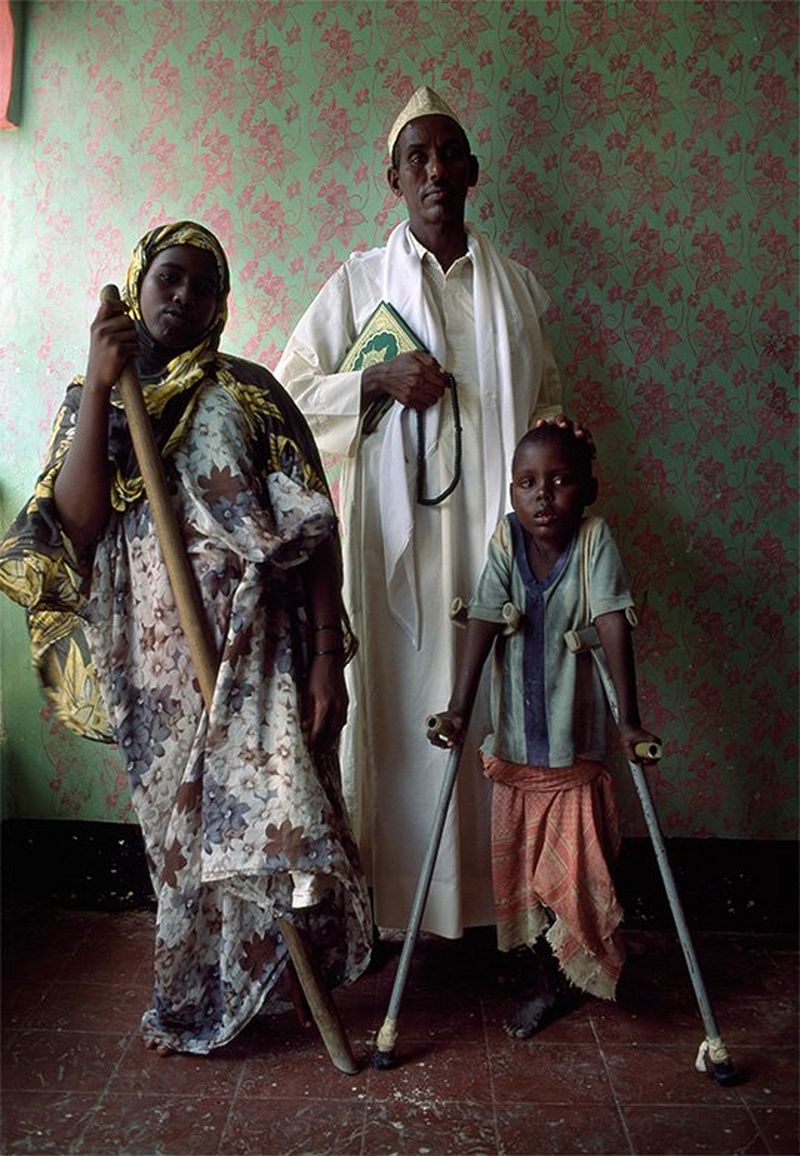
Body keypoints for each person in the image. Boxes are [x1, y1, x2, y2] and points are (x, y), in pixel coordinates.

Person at [0, 221, 372, 1055]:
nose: (184, 296)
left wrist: (325, 660)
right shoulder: (96, 397)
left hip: (264, 651)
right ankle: (199, 993)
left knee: (272, 818)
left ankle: (284, 982)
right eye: (169, 277)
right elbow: (77, 523)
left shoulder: (253, 393)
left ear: (222, 304)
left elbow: (314, 532)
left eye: (204, 286)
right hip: (157, 666)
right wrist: (102, 382)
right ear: (139, 283)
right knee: (182, 837)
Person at [275, 86, 562, 940]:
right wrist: (376, 378)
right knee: (407, 718)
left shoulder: (517, 290)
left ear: (472, 172)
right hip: (398, 548)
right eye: (417, 158)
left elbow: (547, 406)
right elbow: (287, 397)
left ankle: (504, 915)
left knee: (500, 714)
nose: (435, 170)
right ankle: (403, 915)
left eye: (448, 155)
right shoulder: (360, 282)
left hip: (498, 542)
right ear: (394, 179)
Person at [428, 415, 660, 1036]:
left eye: (560, 481)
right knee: (522, 868)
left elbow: (612, 619)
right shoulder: (507, 540)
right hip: (514, 746)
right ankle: (542, 968)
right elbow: (484, 614)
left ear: (589, 490)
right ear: (512, 491)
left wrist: (630, 722)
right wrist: (458, 707)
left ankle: (563, 976)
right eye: (527, 482)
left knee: (572, 871)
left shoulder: (593, 540)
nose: (543, 496)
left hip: (571, 750)